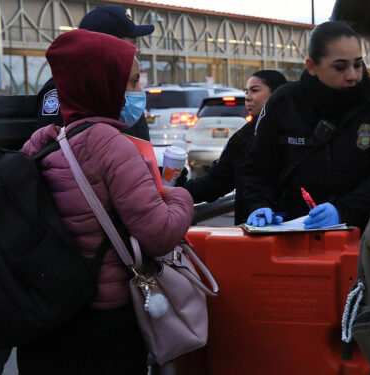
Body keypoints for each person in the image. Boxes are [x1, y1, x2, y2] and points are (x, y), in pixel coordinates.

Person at [18, 29, 193, 374]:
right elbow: (159, 233)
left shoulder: (40, 142)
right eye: (130, 83)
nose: (136, 93)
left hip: (47, 312)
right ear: (101, 84)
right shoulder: (110, 144)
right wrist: (180, 196)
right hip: (103, 321)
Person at [242, 21, 370, 229]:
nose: (352, 76)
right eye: (340, 67)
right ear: (312, 67)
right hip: (294, 232)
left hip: (367, 230)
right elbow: (257, 167)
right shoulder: (284, 102)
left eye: (358, 65)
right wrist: (259, 204)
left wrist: (344, 210)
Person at [182, 70, 287, 225]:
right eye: (247, 92)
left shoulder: (298, 134)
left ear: (276, 94)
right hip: (252, 232)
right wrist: (179, 189)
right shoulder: (242, 139)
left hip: (297, 232)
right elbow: (215, 182)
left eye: (255, 90)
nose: (248, 97)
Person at [35, 4, 153, 141]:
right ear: (108, 45)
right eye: (132, 43)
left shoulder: (120, 88)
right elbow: (49, 148)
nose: (137, 50)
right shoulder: (63, 89)